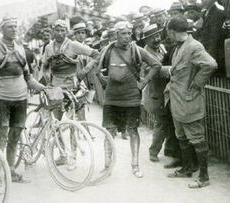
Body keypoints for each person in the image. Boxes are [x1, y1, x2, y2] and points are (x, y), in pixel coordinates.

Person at [0, 17, 45, 192]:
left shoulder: (20, 50)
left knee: (15, 135)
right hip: (0, 98)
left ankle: (11, 170)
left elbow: (28, 77)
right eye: (10, 27)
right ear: (2, 30)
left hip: (20, 98)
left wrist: (44, 88)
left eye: (16, 26)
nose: (14, 29)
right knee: (0, 137)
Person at [90, 21, 161, 177]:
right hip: (112, 98)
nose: (127, 36)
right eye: (123, 33)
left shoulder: (137, 50)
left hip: (131, 98)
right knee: (109, 131)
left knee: (133, 130)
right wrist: (103, 81)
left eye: (129, 33)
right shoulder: (107, 50)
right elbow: (95, 67)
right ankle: (107, 166)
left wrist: (144, 82)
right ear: (116, 35)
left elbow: (156, 64)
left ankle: (135, 166)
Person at [166, 17, 217, 188]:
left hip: (189, 101)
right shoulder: (179, 47)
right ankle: (187, 168)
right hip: (178, 101)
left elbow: (210, 64)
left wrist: (196, 84)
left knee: (197, 138)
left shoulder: (193, 46)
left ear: (172, 31)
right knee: (181, 136)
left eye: (168, 32)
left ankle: (204, 177)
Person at [42, 19, 99, 168]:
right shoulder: (49, 47)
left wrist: (83, 72)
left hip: (73, 89)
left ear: (67, 31)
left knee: (74, 123)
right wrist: (48, 80)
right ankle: (62, 154)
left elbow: (96, 55)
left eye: (63, 30)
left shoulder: (73, 45)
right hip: (55, 89)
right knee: (56, 122)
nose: (60, 33)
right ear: (53, 31)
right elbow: (45, 66)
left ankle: (73, 156)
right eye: (57, 30)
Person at [140, 24, 182, 168]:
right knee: (162, 124)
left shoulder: (162, 47)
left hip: (166, 91)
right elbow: (154, 71)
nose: (157, 39)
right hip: (155, 94)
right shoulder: (144, 53)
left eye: (158, 36)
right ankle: (153, 151)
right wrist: (172, 69)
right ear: (146, 40)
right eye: (153, 38)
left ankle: (167, 151)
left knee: (168, 122)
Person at [199, 0, 227, 76]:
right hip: (206, 52)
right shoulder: (204, 14)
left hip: (215, 54)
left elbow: (214, 38)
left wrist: (209, 58)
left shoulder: (217, 13)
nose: (203, 1)